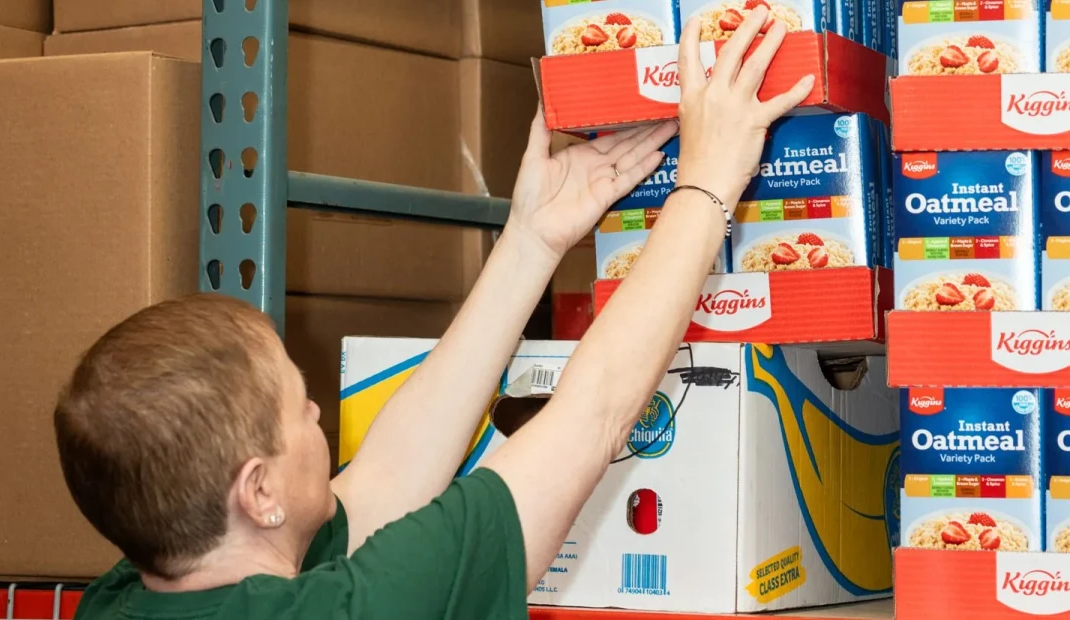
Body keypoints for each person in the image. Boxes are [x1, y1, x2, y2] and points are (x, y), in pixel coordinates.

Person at [56, 8, 813, 619]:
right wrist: (710, 180)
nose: (318, 409)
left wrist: (530, 241)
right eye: (299, 409)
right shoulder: (362, 607)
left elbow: (387, 478)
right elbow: (596, 413)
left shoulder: (128, 595)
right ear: (257, 491)